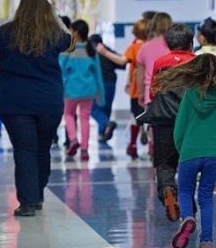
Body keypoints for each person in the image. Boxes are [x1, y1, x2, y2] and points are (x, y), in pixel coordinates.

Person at [0, 0, 71, 216]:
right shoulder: (55, 34)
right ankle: (36, 194)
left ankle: (29, 201)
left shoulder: (5, 33)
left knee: (24, 149)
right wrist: (56, 18)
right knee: (42, 147)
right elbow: (71, 41)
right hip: (48, 100)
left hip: (15, 101)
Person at [168, 54, 216, 248]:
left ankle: (187, 218)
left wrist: (182, 148)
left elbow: (179, 128)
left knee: (185, 191)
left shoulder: (190, 95)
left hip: (189, 152)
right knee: (206, 197)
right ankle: (207, 241)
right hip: (213, 154)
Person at [140, 24, 196, 222]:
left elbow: (153, 90)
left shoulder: (161, 61)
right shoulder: (196, 63)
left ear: (168, 44)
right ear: (191, 43)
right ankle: (189, 204)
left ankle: (168, 191)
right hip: (192, 122)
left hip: (164, 122)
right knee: (189, 163)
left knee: (165, 164)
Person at [96, 19, 150, 159]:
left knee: (135, 118)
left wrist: (104, 52)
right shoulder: (150, 47)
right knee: (151, 119)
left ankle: (132, 145)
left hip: (136, 90)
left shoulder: (134, 47)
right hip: (150, 88)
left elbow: (123, 61)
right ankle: (151, 146)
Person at [61, 20, 105, 162]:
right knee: (85, 118)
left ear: (76, 32)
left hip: (71, 90)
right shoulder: (91, 50)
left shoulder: (68, 50)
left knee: (68, 115)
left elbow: (60, 69)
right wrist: (101, 95)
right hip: (89, 90)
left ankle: (73, 140)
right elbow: (98, 74)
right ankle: (85, 150)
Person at [89, 33, 126, 143]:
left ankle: (106, 124)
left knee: (94, 109)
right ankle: (102, 134)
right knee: (106, 109)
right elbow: (122, 64)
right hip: (111, 84)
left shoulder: (90, 53)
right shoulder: (107, 51)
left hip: (97, 85)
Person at [136, 12, 172, 105]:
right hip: (171, 95)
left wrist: (141, 94)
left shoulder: (144, 48)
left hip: (150, 94)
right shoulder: (172, 46)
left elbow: (140, 75)